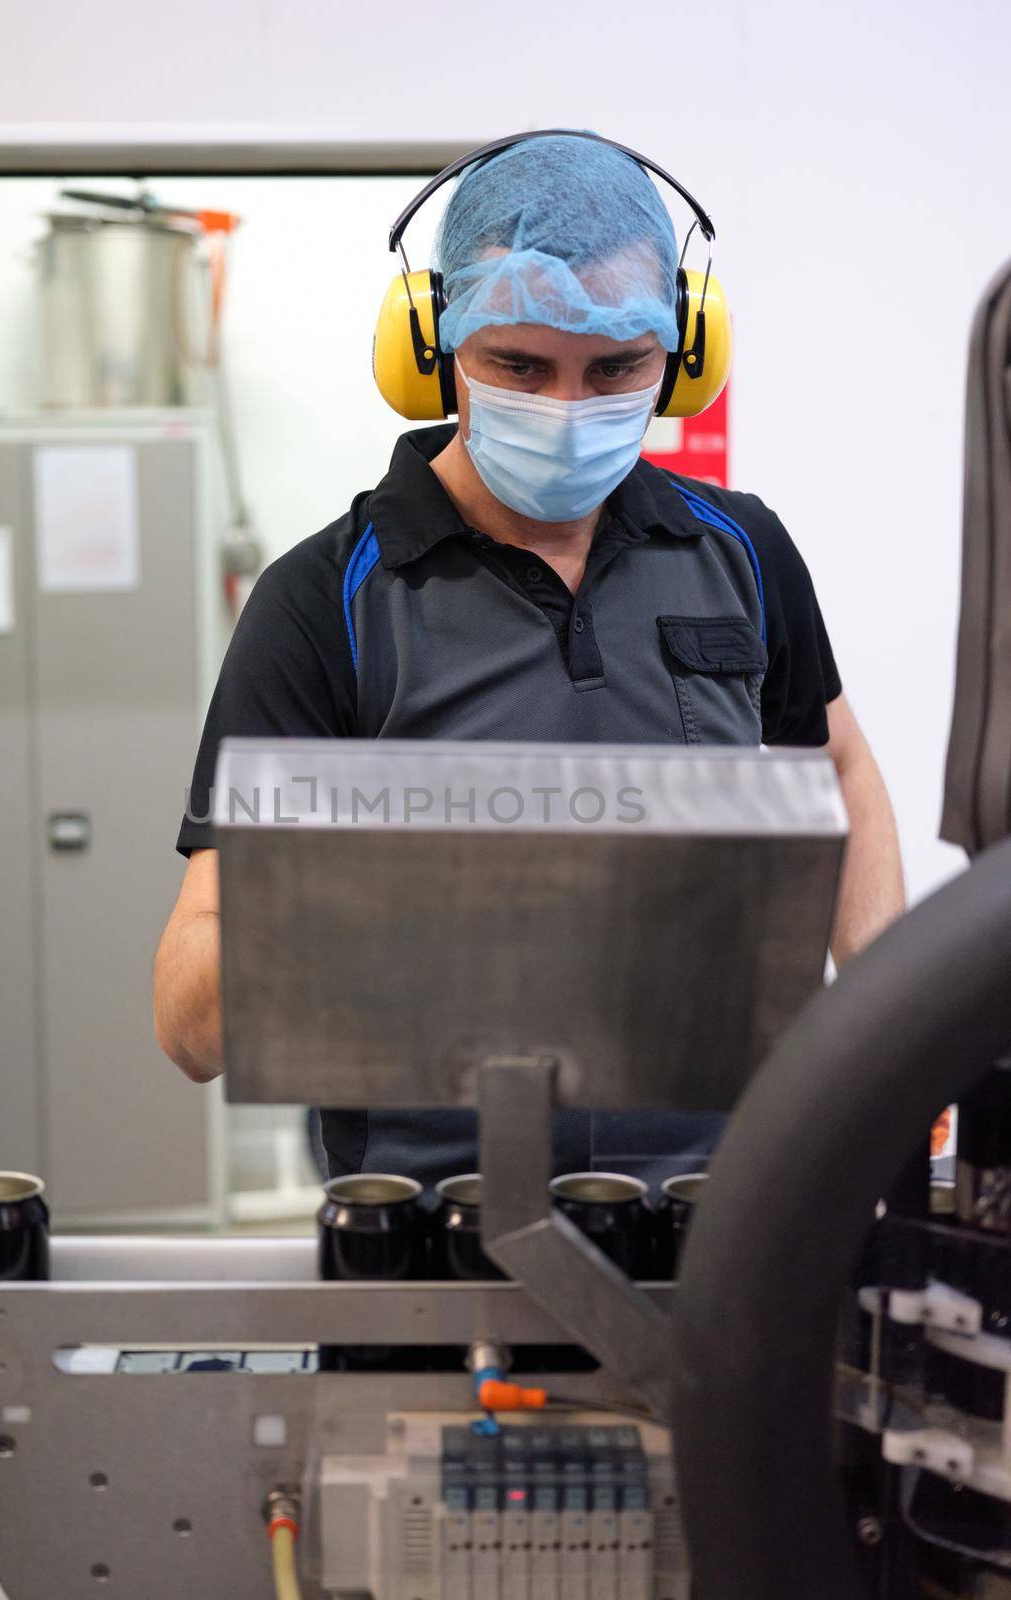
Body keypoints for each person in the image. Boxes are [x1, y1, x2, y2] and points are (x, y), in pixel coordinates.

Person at [154, 132, 905, 1191]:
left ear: (682, 355)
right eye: (517, 366)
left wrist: (888, 1034)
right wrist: (362, 898)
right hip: (433, 1233)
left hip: (721, 1214)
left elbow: (836, 772)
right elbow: (188, 1023)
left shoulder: (742, 553)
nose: (565, 409)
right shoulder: (325, 600)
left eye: (614, 370)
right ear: (434, 346)